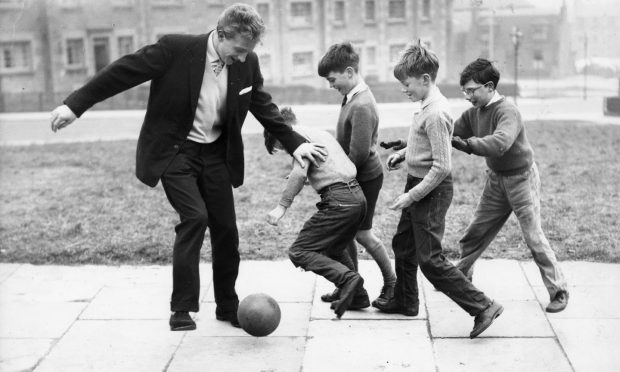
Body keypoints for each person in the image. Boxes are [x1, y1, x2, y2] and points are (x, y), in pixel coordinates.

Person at [49, 3, 327, 331]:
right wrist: (75, 105)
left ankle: (227, 305)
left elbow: (262, 106)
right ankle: (182, 308)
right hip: (176, 153)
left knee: (226, 230)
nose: (241, 57)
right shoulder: (176, 49)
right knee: (195, 218)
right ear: (220, 35)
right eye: (237, 49)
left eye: (247, 51)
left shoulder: (246, 61)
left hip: (215, 155)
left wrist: (296, 143)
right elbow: (122, 72)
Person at [374, 42, 502, 339]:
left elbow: (442, 166)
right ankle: (405, 301)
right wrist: (404, 152)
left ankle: (483, 306)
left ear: (425, 79)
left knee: (431, 260)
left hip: (431, 191)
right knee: (403, 245)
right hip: (419, 183)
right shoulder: (426, 105)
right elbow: (426, 145)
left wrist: (412, 195)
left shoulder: (436, 113)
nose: (403, 89)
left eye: (406, 84)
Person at [451, 58, 569, 313]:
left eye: (471, 90)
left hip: (521, 180)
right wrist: (406, 147)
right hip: (495, 180)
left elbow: (500, 142)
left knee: (533, 237)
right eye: (465, 91)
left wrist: (469, 145)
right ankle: (460, 277)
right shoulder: (473, 113)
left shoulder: (508, 111)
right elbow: (447, 130)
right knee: (475, 233)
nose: (467, 96)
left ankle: (558, 290)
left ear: (490, 86)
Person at [265, 107, 368, 319]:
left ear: (281, 133)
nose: (287, 150)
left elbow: (299, 173)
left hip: (339, 202)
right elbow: (328, 163)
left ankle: (348, 280)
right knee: (334, 247)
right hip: (357, 197)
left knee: (299, 251)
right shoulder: (319, 133)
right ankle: (358, 296)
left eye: (282, 147)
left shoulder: (298, 139)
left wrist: (281, 207)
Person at [316, 42, 396, 307]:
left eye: (332, 79)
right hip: (353, 175)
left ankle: (392, 284)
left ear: (349, 72)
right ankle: (353, 290)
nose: (330, 85)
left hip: (364, 177)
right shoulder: (351, 96)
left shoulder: (362, 104)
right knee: (346, 233)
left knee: (362, 234)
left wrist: (335, 178)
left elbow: (358, 154)